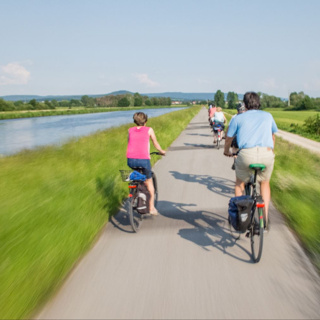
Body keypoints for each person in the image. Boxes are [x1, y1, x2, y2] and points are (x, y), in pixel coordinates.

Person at [224, 92, 278, 228]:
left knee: (239, 183)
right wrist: (270, 151)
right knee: (264, 183)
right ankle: (264, 219)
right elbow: (273, 137)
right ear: (258, 102)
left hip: (246, 154)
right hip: (266, 154)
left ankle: (241, 218)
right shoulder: (268, 116)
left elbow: (229, 138)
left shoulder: (238, 118)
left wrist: (226, 151)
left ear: (245, 104)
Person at [127, 112, 166, 215]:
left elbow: (130, 142)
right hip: (143, 160)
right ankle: (151, 208)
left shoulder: (130, 130)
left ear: (135, 121)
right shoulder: (149, 130)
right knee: (149, 182)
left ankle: (134, 195)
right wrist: (161, 151)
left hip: (130, 160)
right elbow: (155, 143)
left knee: (137, 176)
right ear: (146, 121)